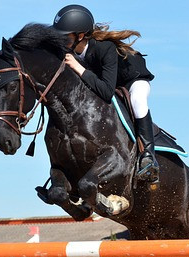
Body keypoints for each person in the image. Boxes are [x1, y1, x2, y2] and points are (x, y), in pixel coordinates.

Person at [52, 4, 159, 182]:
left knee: (138, 101)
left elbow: (106, 92)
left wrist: (78, 68)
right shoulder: (73, 52)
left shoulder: (105, 48)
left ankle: (148, 156)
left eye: (65, 38)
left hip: (132, 80)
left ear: (80, 36)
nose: (62, 42)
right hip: (107, 81)